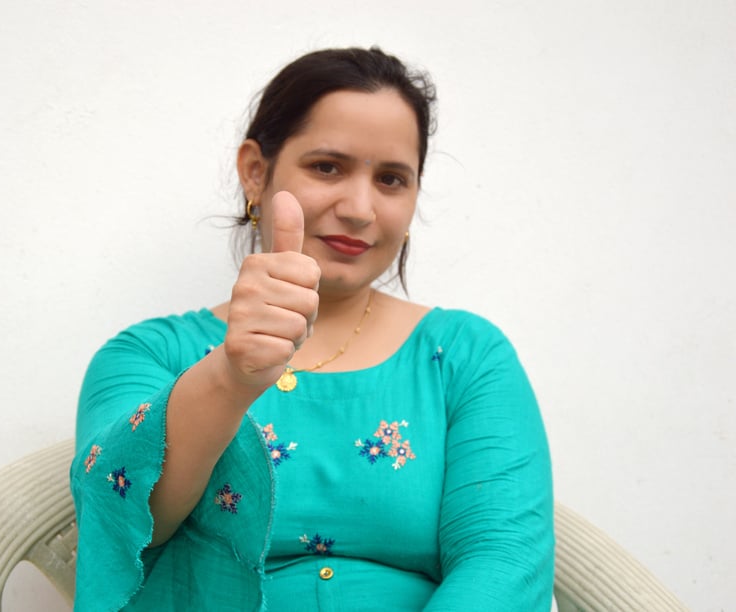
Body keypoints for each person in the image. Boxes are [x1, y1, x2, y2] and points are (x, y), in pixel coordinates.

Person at [71, 46, 554, 611]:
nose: (359, 207)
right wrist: (229, 379)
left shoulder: (466, 358)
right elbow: (121, 520)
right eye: (328, 167)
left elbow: (505, 562)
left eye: (392, 179)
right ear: (256, 170)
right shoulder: (150, 355)